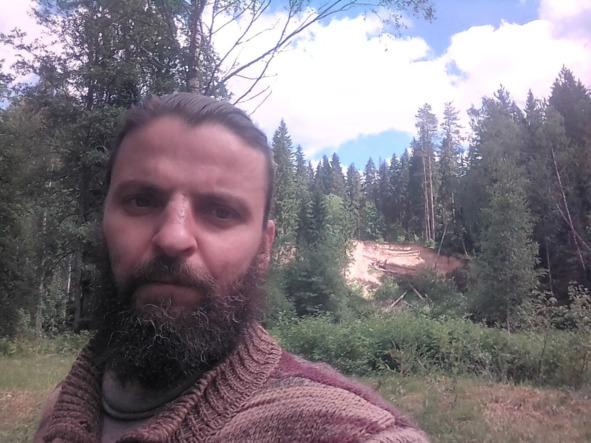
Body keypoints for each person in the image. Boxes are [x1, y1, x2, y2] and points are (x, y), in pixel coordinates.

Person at [34, 93, 428, 443]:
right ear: (103, 220)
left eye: (220, 211)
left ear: (264, 248)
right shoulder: (62, 409)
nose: (173, 237)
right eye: (141, 201)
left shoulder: (356, 432)